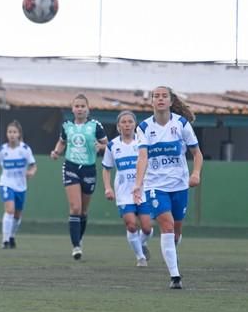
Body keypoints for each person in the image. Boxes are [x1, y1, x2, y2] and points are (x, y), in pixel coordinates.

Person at [133, 86, 203, 289]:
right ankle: (175, 276)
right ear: (152, 101)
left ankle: (171, 253)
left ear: (171, 101)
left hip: (180, 185)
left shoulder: (181, 124)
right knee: (167, 226)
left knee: (176, 233)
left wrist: (196, 173)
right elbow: (143, 157)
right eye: (157, 96)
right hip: (155, 186)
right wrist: (138, 184)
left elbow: (197, 154)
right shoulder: (144, 127)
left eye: (164, 96)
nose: (160, 99)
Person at [50, 94, 108, 260]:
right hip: (71, 167)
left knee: (83, 210)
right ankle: (76, 246)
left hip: (89, 169)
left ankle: (79, 238)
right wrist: (56, 152)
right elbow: (62, 142)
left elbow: (108, 144)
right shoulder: (67, 126)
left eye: (83, 106)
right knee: (75, 207)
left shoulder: (95, 125)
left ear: (88, 109)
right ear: (72, 109)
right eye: (77, 106)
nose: (80, 109)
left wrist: (101, 146)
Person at [102, 110, 154, 267]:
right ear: (118, 126)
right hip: (124, 192)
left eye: (130, 122)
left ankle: (141, 244)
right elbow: (106, 168)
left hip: (143, 190)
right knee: (131, 224)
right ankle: (140, 257)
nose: (127, 125)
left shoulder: (142, 143)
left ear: (135, 125)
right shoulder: (112, 145)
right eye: (123, 122)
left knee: (146, 228)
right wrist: (108, 188)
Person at [0, 120, 37, 249]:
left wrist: (31, 172)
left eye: (14, 132)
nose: (12, 134)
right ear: (6, 134)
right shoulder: (2, 150)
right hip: (6, 183)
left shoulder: (25, 149)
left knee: (17, 214)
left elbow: (33, 165)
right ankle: (5, 240)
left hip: (21, 186)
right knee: (9, 210)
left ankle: (12, 236)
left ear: (19, 134)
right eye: (9, 132)